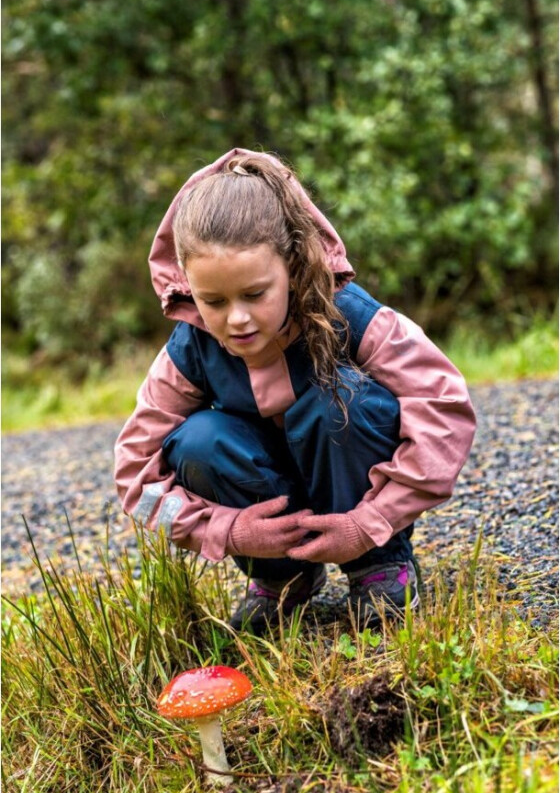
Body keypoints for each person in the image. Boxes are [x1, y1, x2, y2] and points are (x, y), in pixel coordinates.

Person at [114, 148, 476, 633]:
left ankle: (377, 568)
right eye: (213, 300)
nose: (236, 318)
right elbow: (133, 481)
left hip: (359, 506)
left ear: (291, 263)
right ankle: (281, 580)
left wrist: (367, 524)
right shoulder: (191, 349)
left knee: (340, 398)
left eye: (255, 294)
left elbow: (446, 411)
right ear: (186, 284)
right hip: (267, 512)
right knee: (198, 439)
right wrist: (228, 529)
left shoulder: (350, 314)